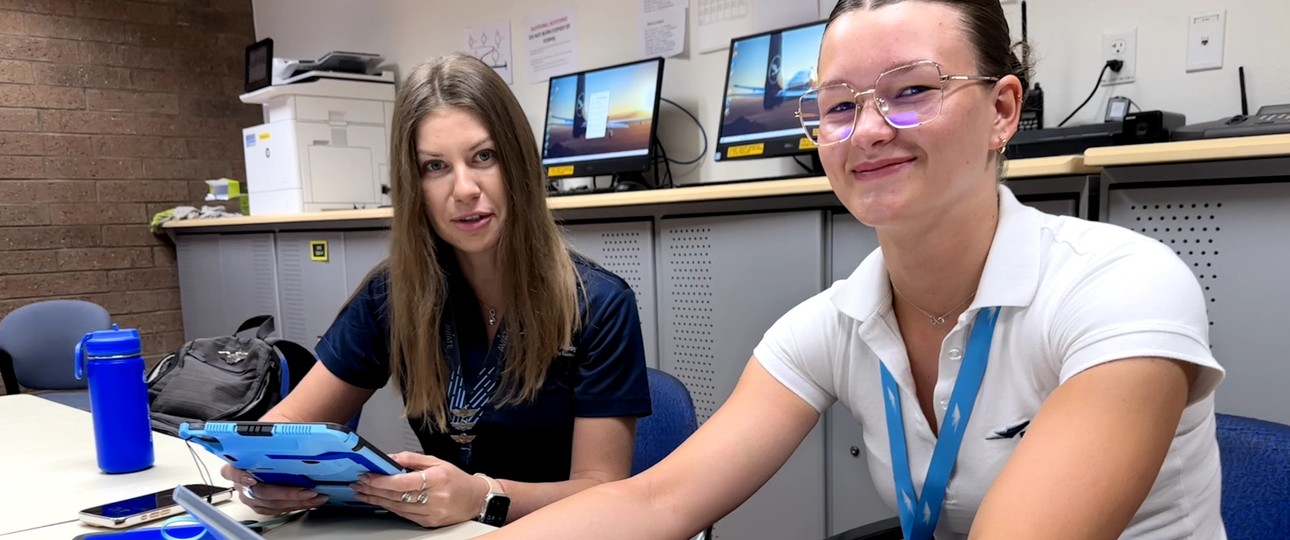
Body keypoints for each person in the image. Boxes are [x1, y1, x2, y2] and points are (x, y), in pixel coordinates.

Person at [483, 1, 1226, 538]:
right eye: (840, 106)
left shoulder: (1120, 289)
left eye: (912, 91)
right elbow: (654, 503)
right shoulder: (835, 323)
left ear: (1003, 110)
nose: (868, 131)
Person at [218, 54, 652, 529]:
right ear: (414, 185)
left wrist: (484, 495)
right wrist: (255, 471)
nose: (464, 189)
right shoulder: (393, 294)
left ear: (519, 163)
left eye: (483, 157)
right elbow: (284, 428)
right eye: (435, 166)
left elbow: (601, 491)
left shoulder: (598, 305)